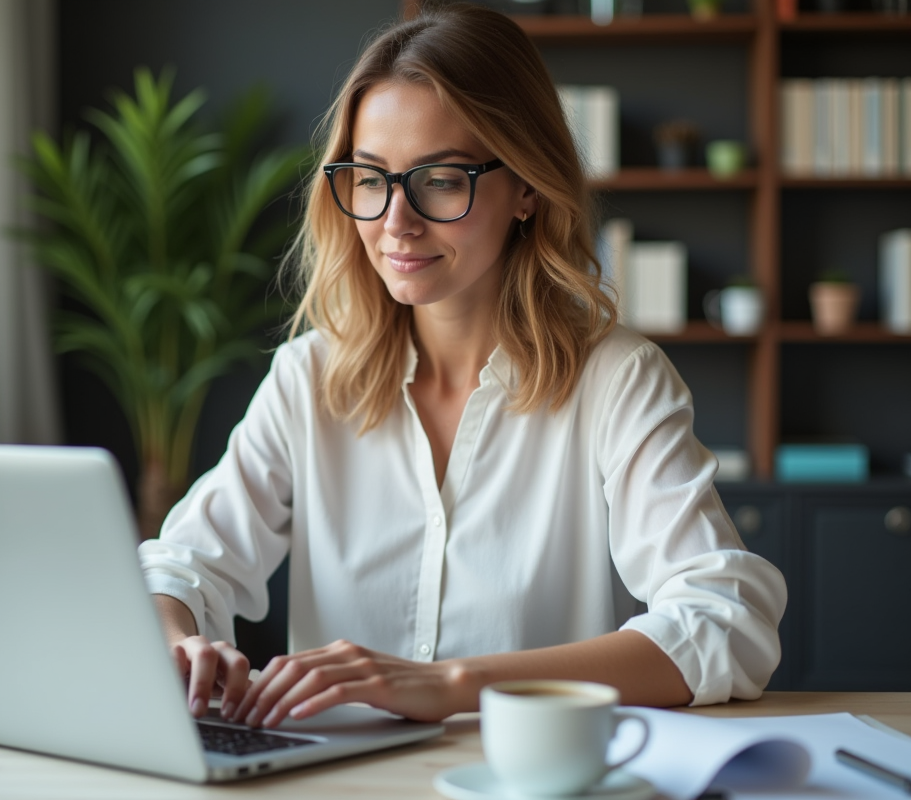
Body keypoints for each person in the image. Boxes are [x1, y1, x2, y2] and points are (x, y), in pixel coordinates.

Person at [139, 3, 786, 730]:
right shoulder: (309, 376)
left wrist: (450, 684)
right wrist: (179, 643)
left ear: (528, 188)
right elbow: (181, 566)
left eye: (441, 179)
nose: (395, 223)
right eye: (371, 178)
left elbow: (724, 622)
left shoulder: (618, 380)